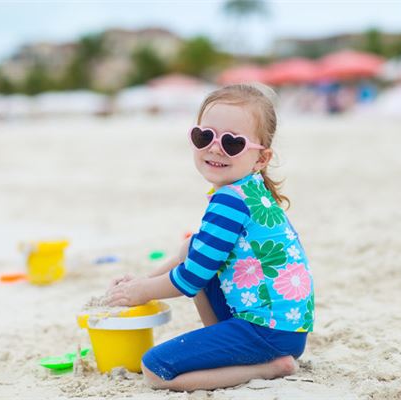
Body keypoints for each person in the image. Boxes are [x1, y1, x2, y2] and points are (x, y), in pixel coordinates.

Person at [106, 83, 315, 392]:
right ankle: (229, 344)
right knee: (191, 247)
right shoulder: (248, 190)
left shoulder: (230, 201)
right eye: (204, 137)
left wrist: (144, 291)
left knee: (156, 368)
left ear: (261, 159)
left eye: (232, 143)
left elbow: (191, 279)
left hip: (268, 332)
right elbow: (195, 254)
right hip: (285, 327)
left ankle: (270, 368)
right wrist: (141, 282)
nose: (215, 148)